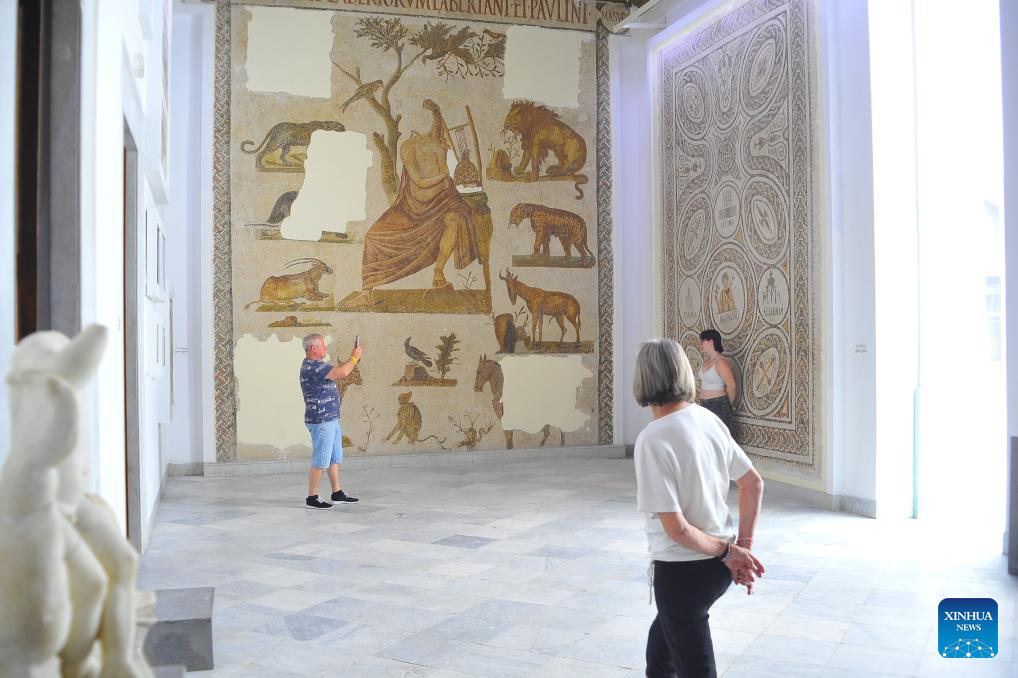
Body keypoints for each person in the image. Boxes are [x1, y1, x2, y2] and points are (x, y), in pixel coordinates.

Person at [633, 338, 765, 678]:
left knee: (694, 669)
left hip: (683, 572)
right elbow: (753, 484)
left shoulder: (653, 438)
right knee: (660, 658)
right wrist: (741, 548)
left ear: (643, 378)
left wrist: (731, 553)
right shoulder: (708, 419)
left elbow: (677, 529)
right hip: (715, 571)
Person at [341, 99, 481, 308]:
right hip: (411, 207)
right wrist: (444, 174)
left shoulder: (439, 141)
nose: (425, 121)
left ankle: (438, 271)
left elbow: (438, 129)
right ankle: (366, 293)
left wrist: (436, 115)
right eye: (419, 115)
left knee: (454, 219)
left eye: (428, 116)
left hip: (445, 201)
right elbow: (419, 181)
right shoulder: (408, 147)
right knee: (372, 237)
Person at [300, 333, 364, 509]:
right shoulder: (313, 366)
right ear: (313, 348)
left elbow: (341, 372)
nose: (326, 348)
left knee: (334, 457)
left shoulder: (319, 365)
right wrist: (354, 357)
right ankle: (312, 497)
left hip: (331, 419)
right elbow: (343, 372)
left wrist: (353, 358)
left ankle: (337, 493)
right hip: (321, 420)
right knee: (321, 459)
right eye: (323, 345)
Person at [698, 329, 736, 428]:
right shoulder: (706, 361)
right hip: (704, 405)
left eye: (702, 341)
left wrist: (727, 407)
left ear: (711, 342)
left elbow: (731, 386)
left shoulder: (721, 362)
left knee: (717, 436)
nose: (700, 344)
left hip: (718, 405)